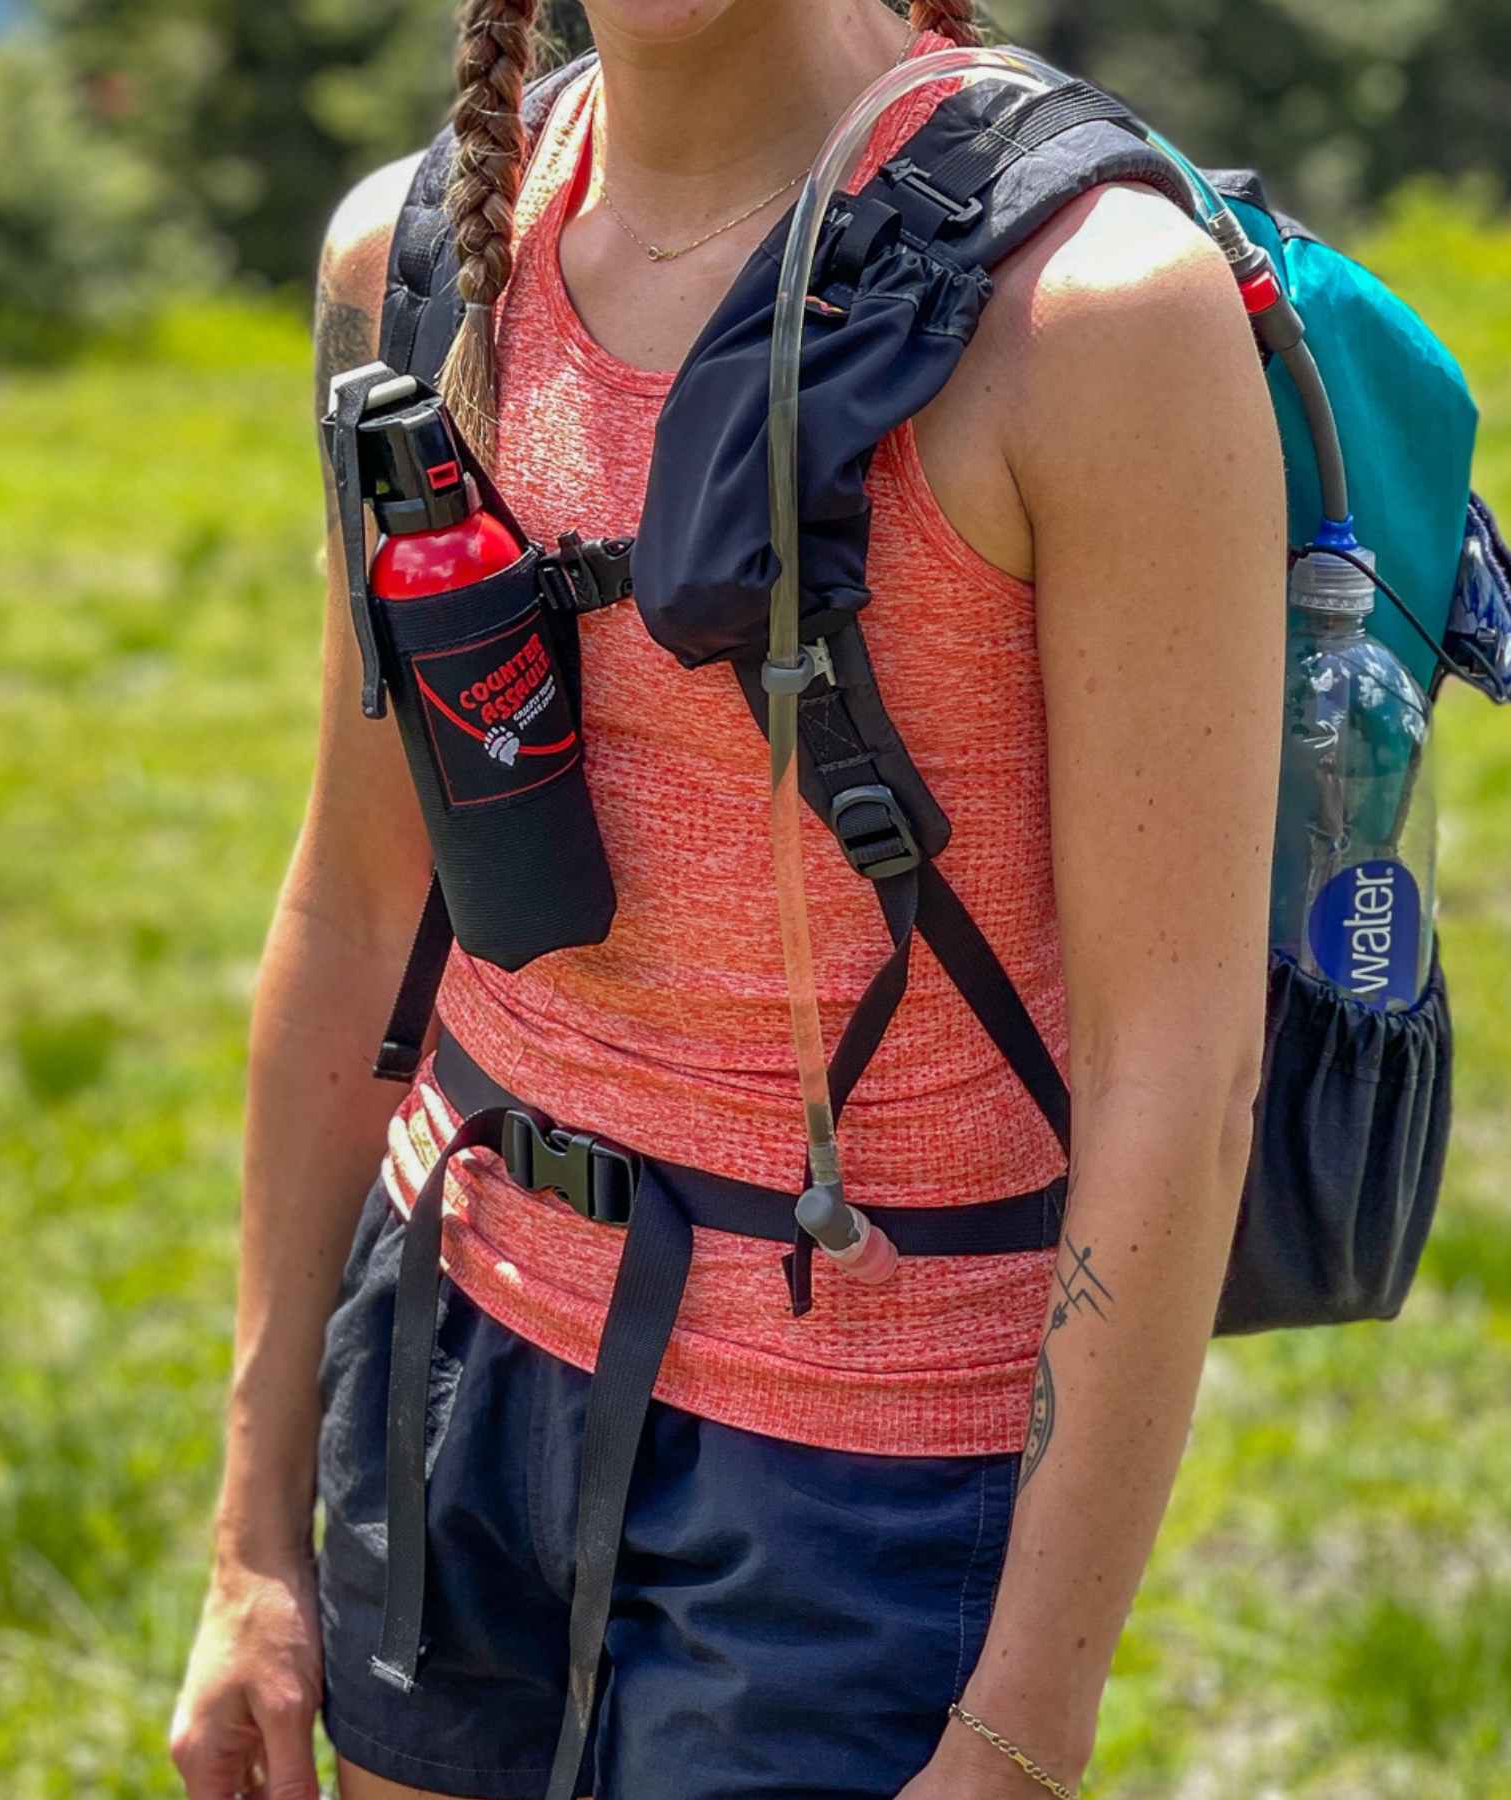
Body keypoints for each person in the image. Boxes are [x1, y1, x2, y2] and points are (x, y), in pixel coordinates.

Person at [170, 0, 1286, 1794]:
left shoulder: (1087, 314)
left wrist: (1019, 1731)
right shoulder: (422, 260)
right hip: (444, 1345)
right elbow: (358, 901)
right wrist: (251, 1531)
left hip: (858, 1484)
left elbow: (1182, 1071)